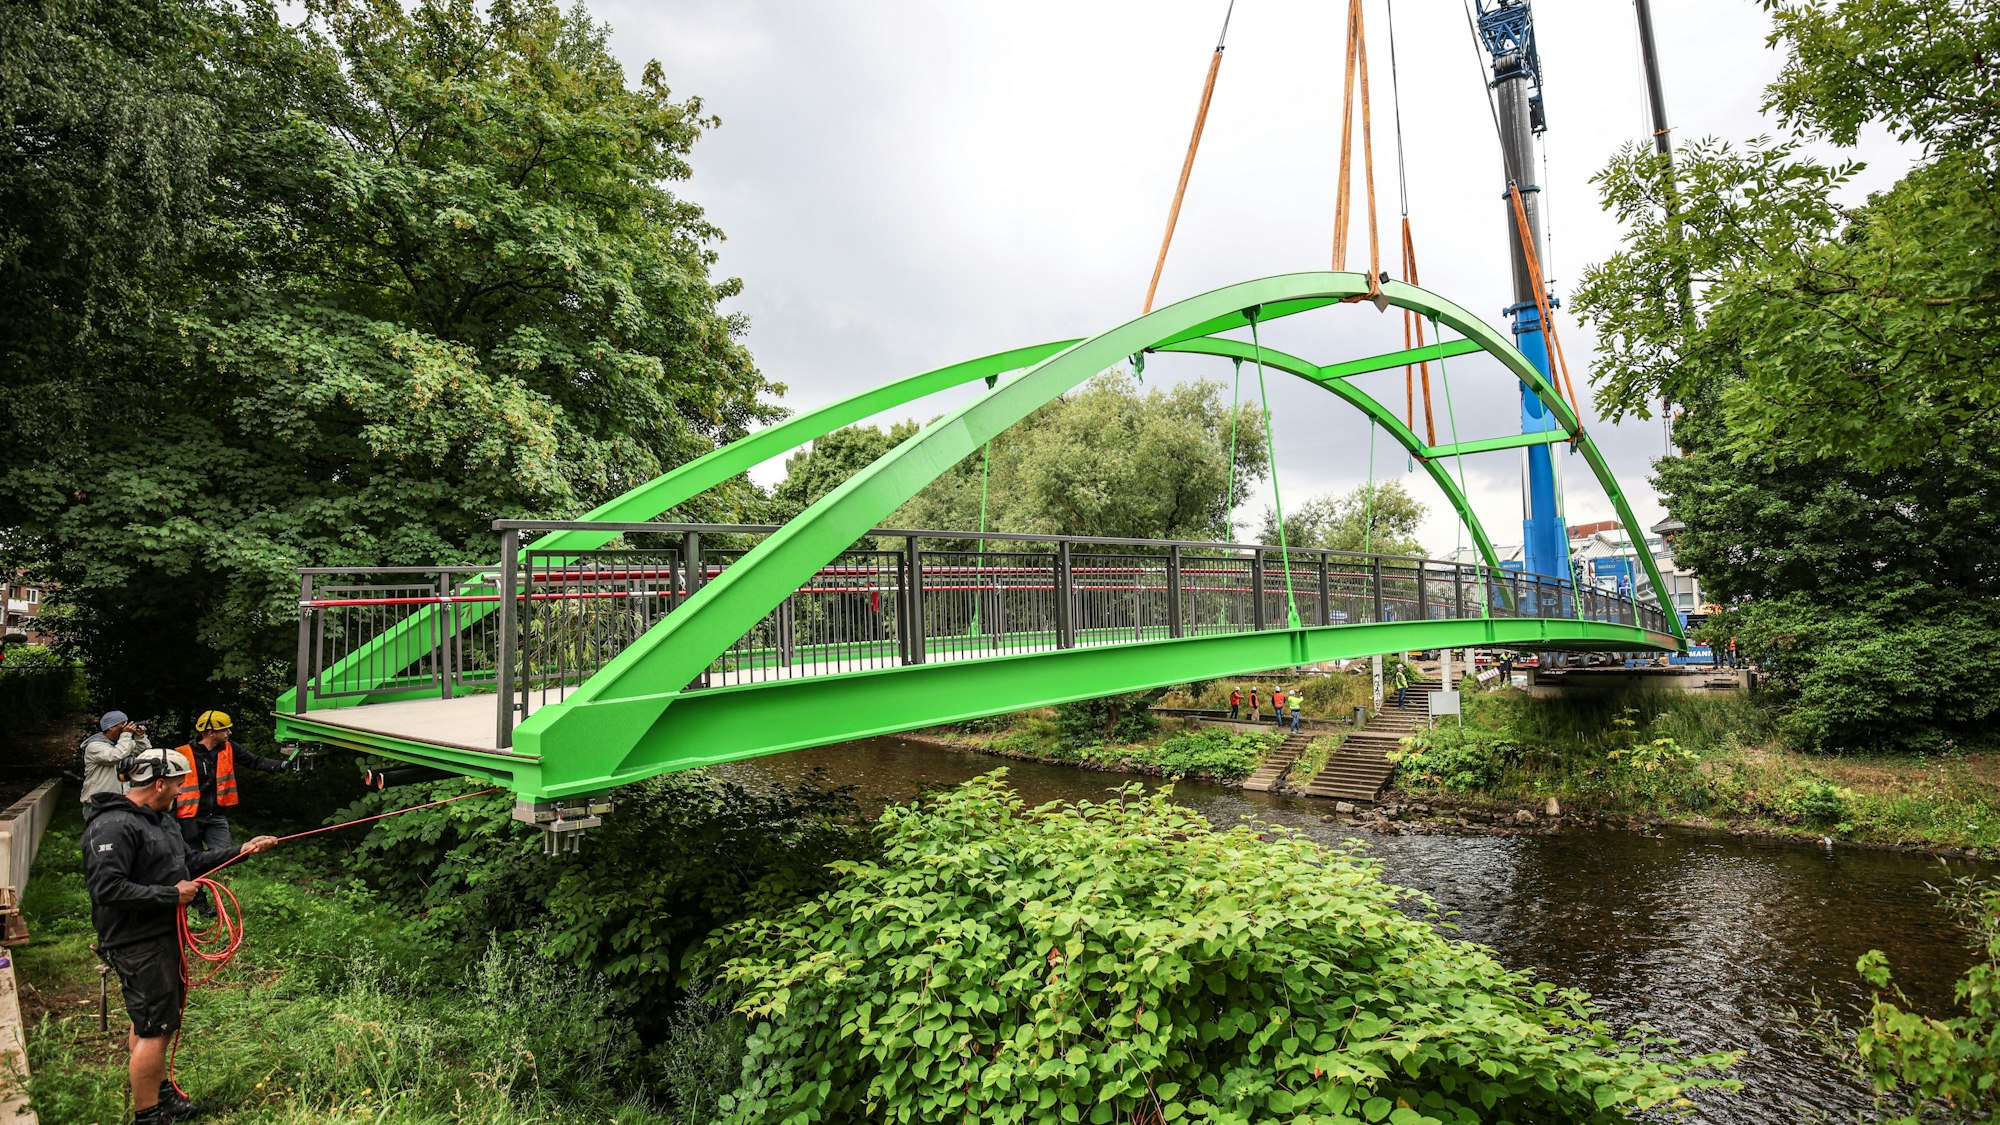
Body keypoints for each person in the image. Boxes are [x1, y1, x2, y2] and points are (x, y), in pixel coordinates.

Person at [82, 746, 278, 1125]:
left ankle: (157, 1090)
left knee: (152, 1020)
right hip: (136, 941)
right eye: (176, 784)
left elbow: (187, 863)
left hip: (160, 933)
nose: (180, 791)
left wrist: (242, 850)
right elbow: (107, 890)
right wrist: (172, 895)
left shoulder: (160, 821)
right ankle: (149, 1114)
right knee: (155, 1027)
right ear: (158, 783)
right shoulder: (113, 826)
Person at [173, 711, 292, 851]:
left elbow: (255, 761)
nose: (229, 732)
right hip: (190, 817)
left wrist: (282, 765)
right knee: (191, 859)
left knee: (223, 855)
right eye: (225, 729)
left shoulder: (230, 748)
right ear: (211, 733)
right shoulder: (182, 754)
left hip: (216, 815)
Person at [80, 711, 150, 807]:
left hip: (120, 799)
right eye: (122, 725)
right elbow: (116, 756)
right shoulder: (94, 746)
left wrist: (140, 737)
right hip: (98, 801)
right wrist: (126, 735)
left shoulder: (122, 743)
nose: (125, 728)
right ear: (111, 727)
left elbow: (143, 754)